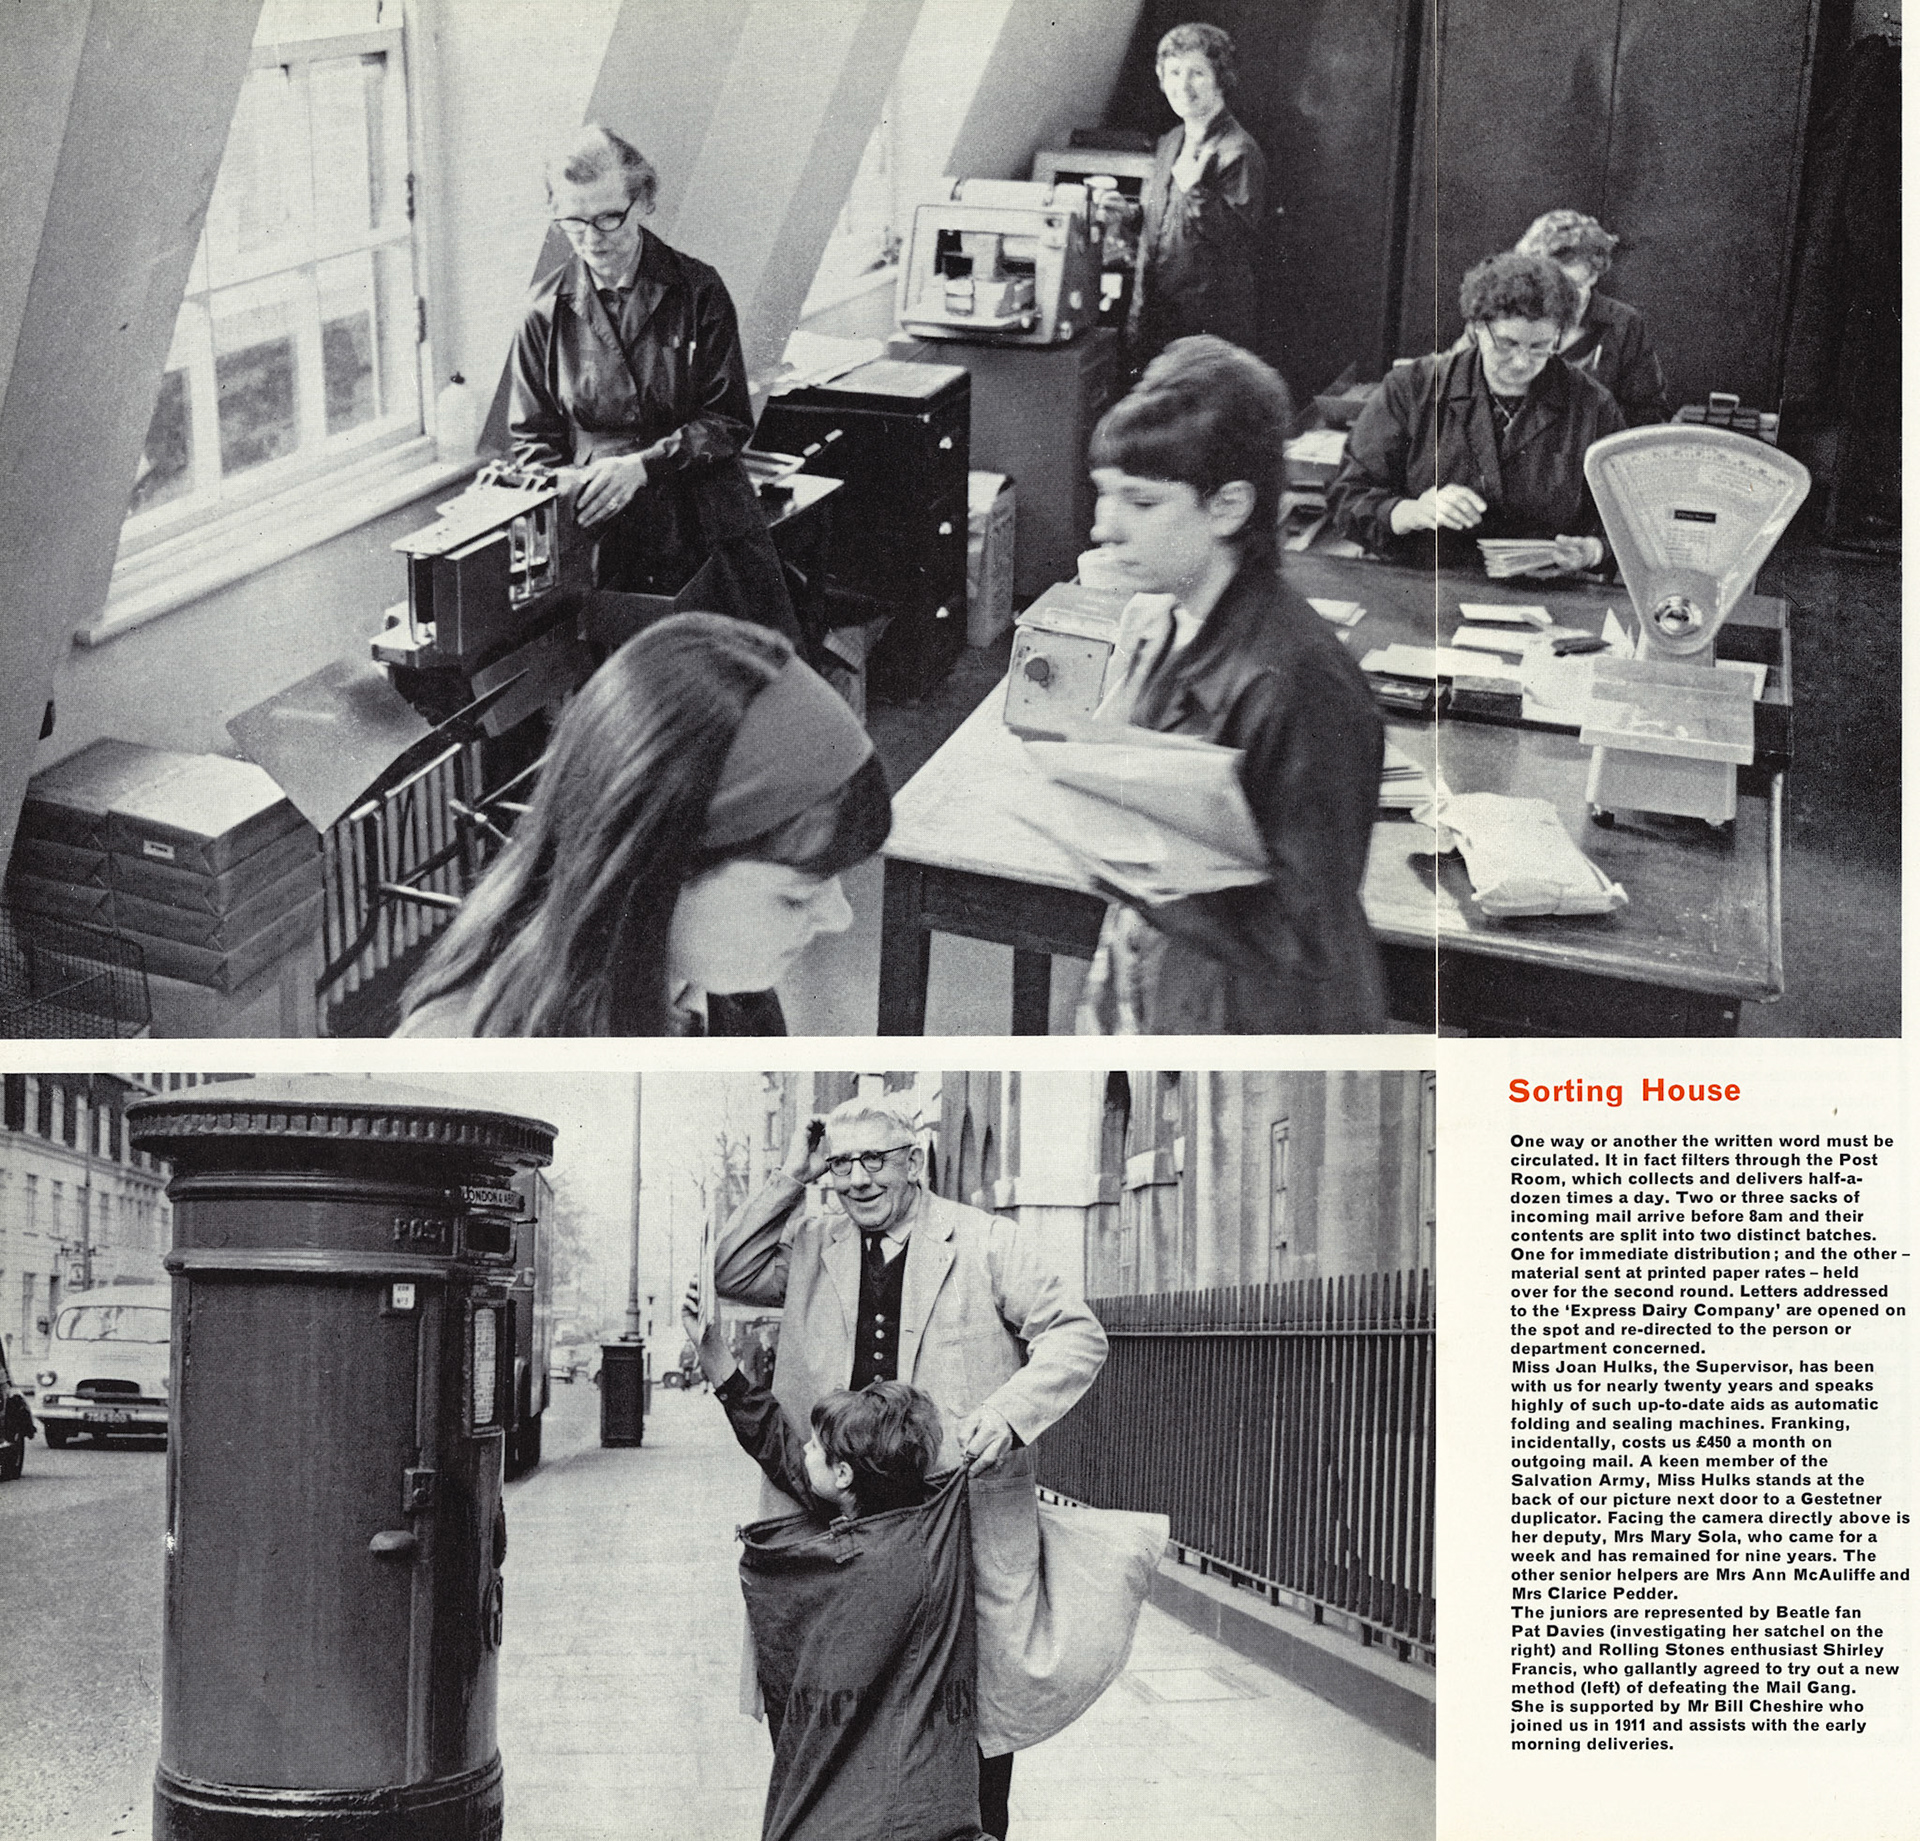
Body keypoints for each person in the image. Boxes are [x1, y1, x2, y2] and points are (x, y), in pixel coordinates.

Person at [714, 1094, 1112, 1841]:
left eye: (875, 1159)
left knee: (963, 1736)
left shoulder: (988, 1241)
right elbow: (733, 1268)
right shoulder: (812, 1241)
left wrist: (1008, 1411)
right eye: (842, 1162)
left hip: (949, 1542)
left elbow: (1076, 1335)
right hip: (831, 1535)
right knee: (825, 1723)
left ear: (914, 1161)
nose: (857, 1179)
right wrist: (794, 1173)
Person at [1080, 335, 1386, 1035]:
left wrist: (1144, 881)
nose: (1105, 527)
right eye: (1103, 494)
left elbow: (1307, 932)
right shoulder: (1169, 619)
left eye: (1141, 501)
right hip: (1176, 983)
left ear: (1228, 507)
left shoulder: (1300, 680)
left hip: (1256, 1024)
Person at [394, 614, 888, 1036]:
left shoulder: (726, 997)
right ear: (652, 874)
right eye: (795, 896)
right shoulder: (464, 1042)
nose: (841, 917)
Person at [511, 124, 800, 643]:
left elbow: (728, 420)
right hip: (603, 532)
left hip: (703, 522)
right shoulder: (542, 311)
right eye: (574, 223)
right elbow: (532, 441)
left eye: (608, 219)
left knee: (738, 680)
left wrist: (643, 467)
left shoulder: (697, 290)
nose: (592, 240)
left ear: (643, 203)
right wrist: (564, 484)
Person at [1326, 251, 1626, 572]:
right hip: (1427, 583)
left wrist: (1593, 551)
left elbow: (1630, 520)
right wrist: (1410, 512)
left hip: (1544, 592)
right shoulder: (1411, 388)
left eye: (1540, 347)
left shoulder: (1592, 405)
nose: (1522, 361)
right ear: (1477, 328)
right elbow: (1346, 498)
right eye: (1508, 344)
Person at [1131, 22, 1268, 366]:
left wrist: (1196, 189)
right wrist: (1127, 214)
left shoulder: (1239, 151)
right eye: (1174, 72)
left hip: (1209, 327)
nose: (1183, 86)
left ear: (1221, 79)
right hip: (1158, 316)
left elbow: (1237, 242)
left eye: (1197, 73)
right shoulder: (1172, 140)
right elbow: (1163, 222)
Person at [1515, 209, 1670, 427]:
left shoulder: (1623, 324)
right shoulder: (1507, 317)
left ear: (1594, 274)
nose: (1560, 298)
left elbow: (1649, 415)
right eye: (1548, 286)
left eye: (1573, 287)